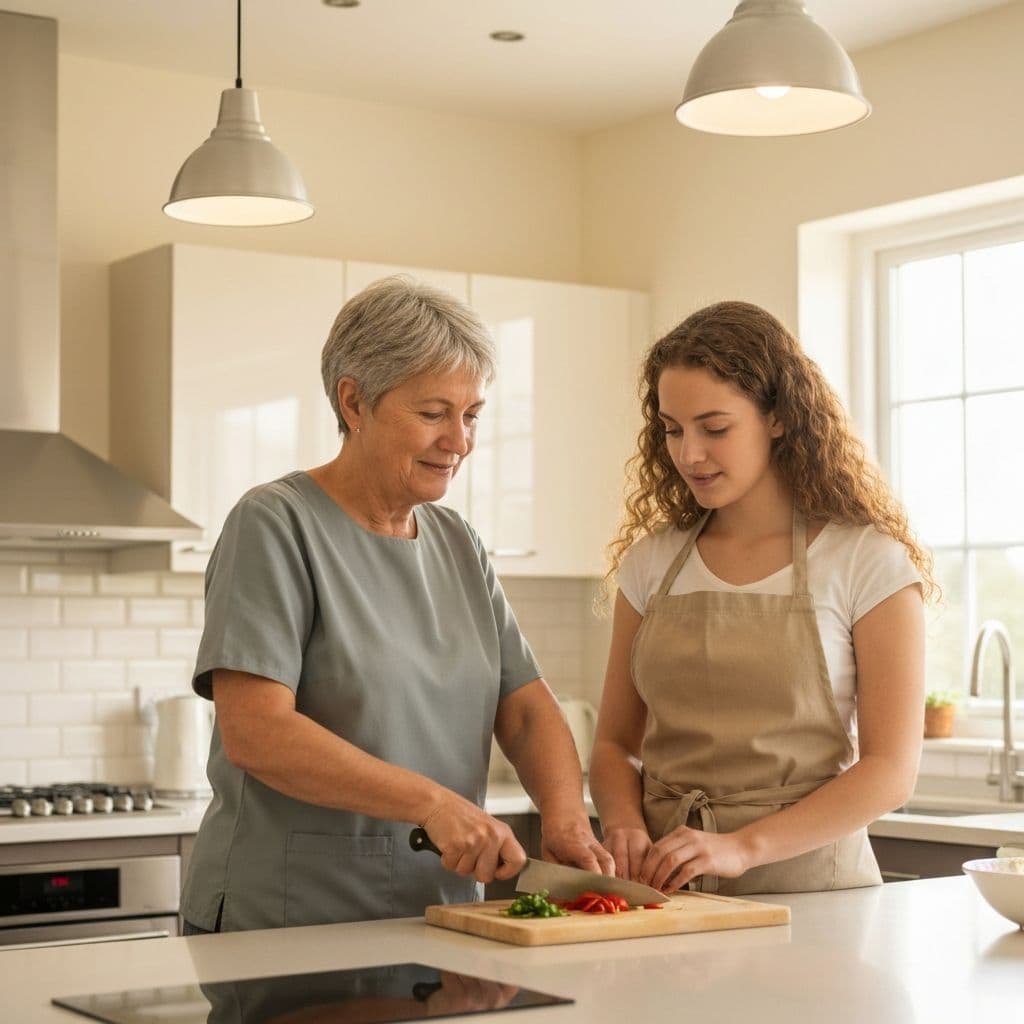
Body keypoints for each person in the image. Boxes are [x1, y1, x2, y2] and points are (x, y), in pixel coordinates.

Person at [180, 276, 610, 934]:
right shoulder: (274, 523)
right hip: (289, 919)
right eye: (434, 413)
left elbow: (523, 709)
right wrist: (432, 803)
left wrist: (566, 819)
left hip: (436, 914)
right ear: (354, 402)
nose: (460, 441)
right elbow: (256, 732)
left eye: (472, 416)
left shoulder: (458, 542)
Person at [590, 300, 933, 897]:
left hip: (815, 893)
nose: (689, 454)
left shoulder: (865, 560)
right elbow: (616, 743)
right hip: (668, 892)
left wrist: (741, 847)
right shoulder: (652, 562)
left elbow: (890, 771)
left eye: (714, 428)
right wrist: (622, 823)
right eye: (672, 429)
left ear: (777, 417)